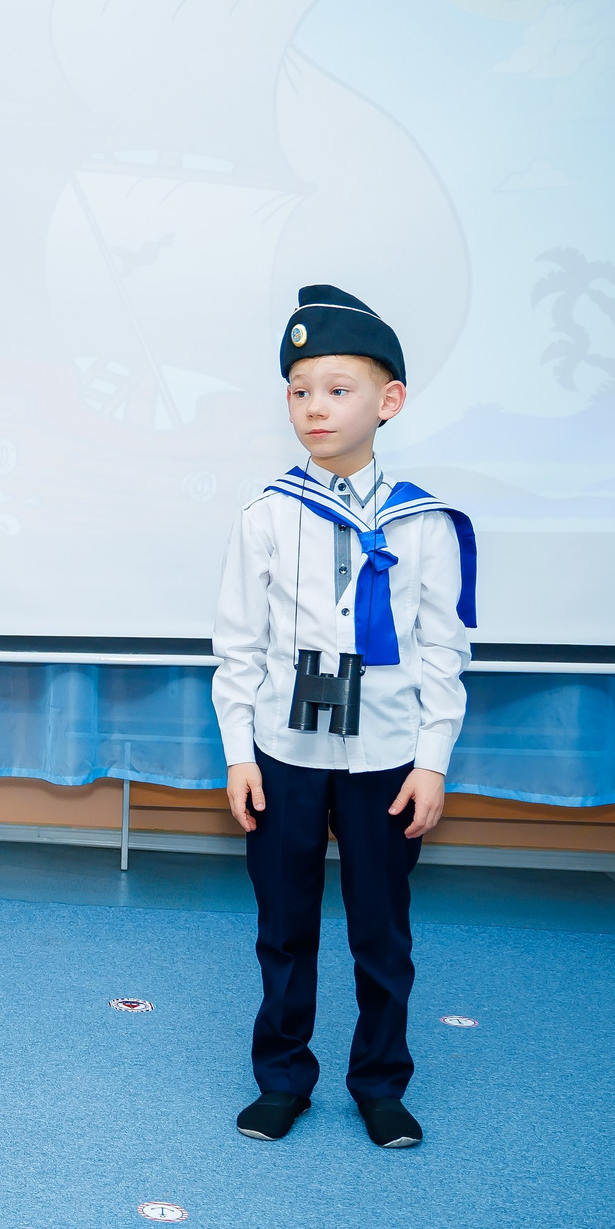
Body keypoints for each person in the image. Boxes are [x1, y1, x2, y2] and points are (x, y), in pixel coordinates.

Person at [213, 284, 477, 1150]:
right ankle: (282, 1077)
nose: (313, 408)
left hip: (388, 757)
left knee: (381, 929)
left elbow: (444, 652)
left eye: (336, 388)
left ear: (388, 400)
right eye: (298, 391)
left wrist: (432, 760)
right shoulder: (264, 516)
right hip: (284, 752)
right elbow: (237, 649)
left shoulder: (426, 524)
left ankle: (380, 1083)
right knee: (283, 927)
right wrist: (239, 754)